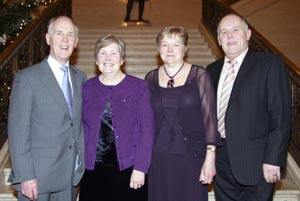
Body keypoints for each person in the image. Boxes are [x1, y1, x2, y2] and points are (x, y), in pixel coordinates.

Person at [206, 13, 292, 201]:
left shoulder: (269, 63)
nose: (229, 35)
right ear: (219, 40)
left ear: (248, 34)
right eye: (224, 32)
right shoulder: (211, 70)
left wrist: (273, 159)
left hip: (257, 162)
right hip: (221, 164)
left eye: (235, 30)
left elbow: (280, 116)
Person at [7, 16, 86, 201]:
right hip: (37, 179)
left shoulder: (80, 78)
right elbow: (18, 132)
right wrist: (25, 175)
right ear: (48, 38)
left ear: (76, 42)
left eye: (70, 35)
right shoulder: (27, 78)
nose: (65, 40)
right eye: (59, 34)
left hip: (70, 177)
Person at [145, 26, 222, 201]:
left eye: (176, 44)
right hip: (158, 157)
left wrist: (210, 157)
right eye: (165, 44)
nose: (170, 50)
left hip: (191, 157)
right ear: (158, 49)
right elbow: (147, 120)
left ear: (185, 49)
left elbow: (210, 118)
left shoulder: (199, 75)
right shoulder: (150, 78)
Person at [79, 34, 154, 201]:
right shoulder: (86, 88)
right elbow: (78, 128)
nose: (108, 58)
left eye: (114, 53)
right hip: (93, 172)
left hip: (129, 170)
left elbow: (147, 130)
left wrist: (141, 167)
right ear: (96, 60)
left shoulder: (138, 87)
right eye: (103, 53)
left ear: (122, 59)